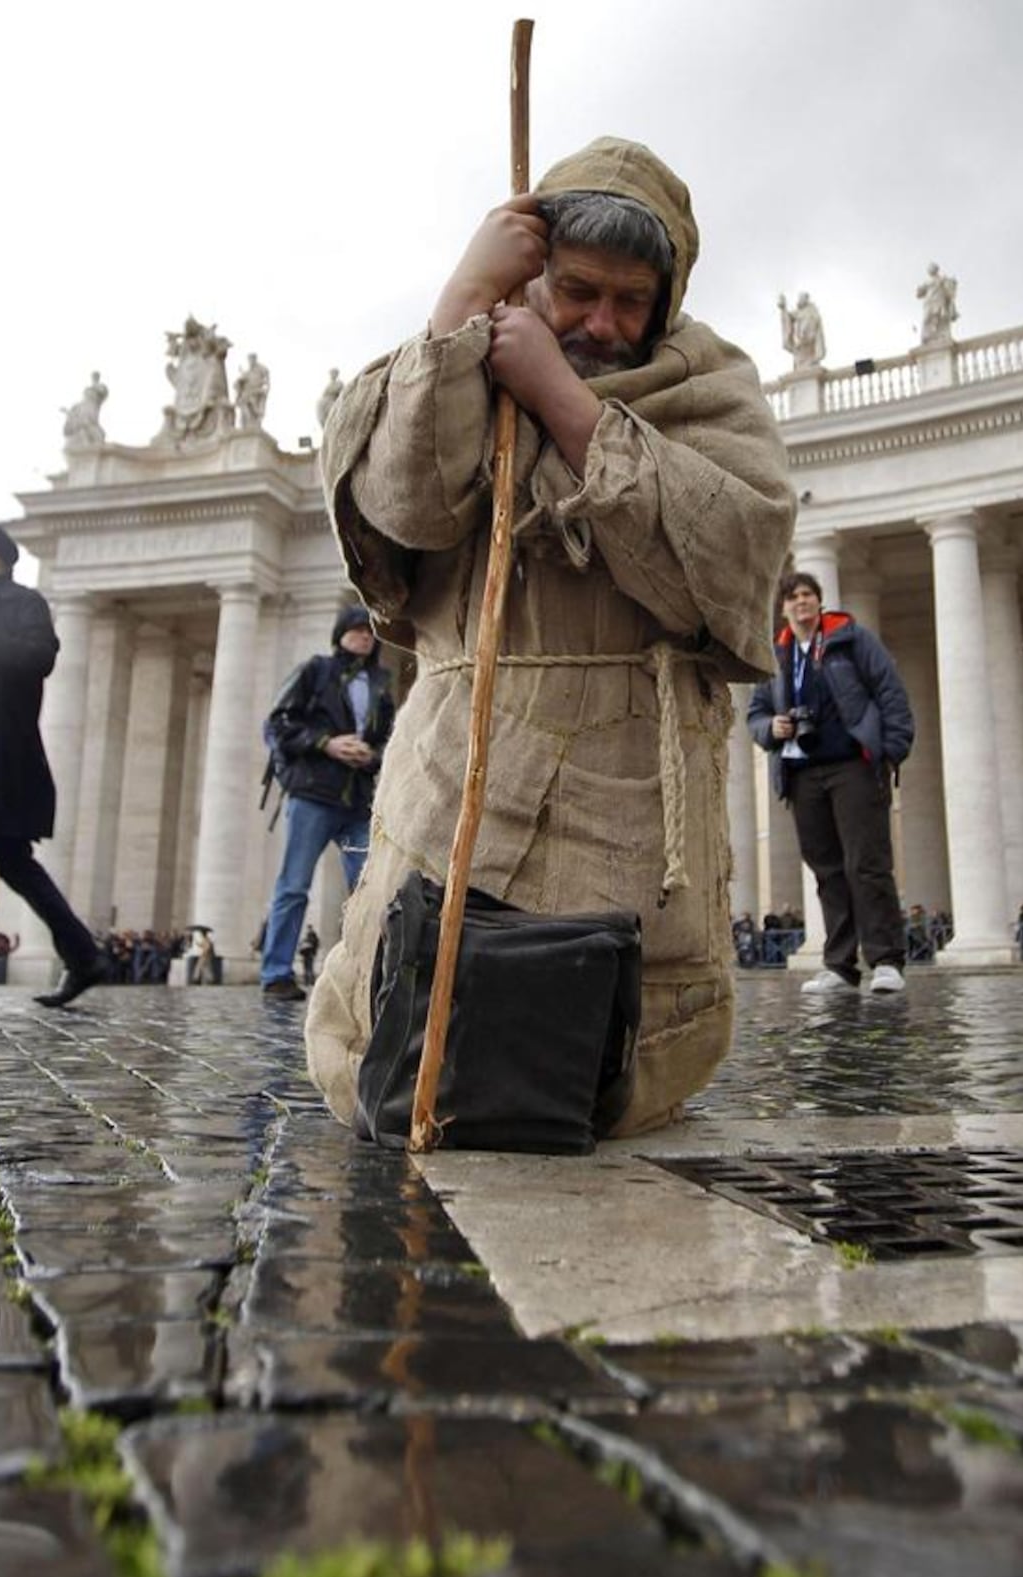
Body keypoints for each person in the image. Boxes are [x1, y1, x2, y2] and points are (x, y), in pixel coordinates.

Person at [306, 135, 795, 1135]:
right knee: (406, 1042)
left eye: (631, 302)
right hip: (458, 771)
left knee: (598, 1060)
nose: (604, 324)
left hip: (624, 797)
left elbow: (737, 560)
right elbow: (404, 512)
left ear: (668, 298)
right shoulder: (451, 357)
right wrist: (458, 308)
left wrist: (564, 403)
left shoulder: (715, 388)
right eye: (577, 292)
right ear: (530, 275)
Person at [0, 524, 110, 1006]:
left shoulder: (24, 603)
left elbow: (39, 658)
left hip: (0, 756)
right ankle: (85, 956)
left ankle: (84, 956)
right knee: (16, 866)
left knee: (15, 865)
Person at [747, 571, 913, 995]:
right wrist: (772, 728)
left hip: (852, 765)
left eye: (807, 595)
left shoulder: (852, 640)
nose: (800, 602)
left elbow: (889, 690)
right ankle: (839, 965)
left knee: (868, 864)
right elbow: (756, 713)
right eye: (793, 597)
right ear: (782, 607)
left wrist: (890, 749)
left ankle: (886, 960)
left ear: (819, 602)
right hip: (803, 772)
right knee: (827, 871)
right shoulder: (777, 655)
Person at [259, 603, 395, 1002]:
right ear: (340, 634)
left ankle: (369, 971)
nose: (364, 635)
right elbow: (278, 723)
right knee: (294, 884)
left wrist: (373, 756)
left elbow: (390, 738)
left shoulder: (381, 684)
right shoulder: (315, 670)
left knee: (371, 886)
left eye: (369, 630)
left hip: (358, 800)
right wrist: (326, 744)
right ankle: (276, 972)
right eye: (355, 629)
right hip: (314, 796)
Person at [778, 291, 825, 368]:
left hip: (808, 342)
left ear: (806, 300)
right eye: (799, 299)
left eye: (801, 298)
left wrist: (806, 333)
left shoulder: (812, 311)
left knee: (807, 359)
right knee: (799, 360)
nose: (799, 301)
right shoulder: (798, 312)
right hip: (800, 343)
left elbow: (814, 324)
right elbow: (788, 318)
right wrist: (783, 308)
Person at [915, 263, 957, 344]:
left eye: (932, 268)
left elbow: (949, 290)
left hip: (939, 301)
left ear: (936, 269)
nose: (930, 270)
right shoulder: (927, 282)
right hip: (929, 303)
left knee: (941, 319)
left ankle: (942, 335)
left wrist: (951, 284)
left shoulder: (942, 279)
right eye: (929, 269)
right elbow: (918, 295)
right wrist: (919, 290)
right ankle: (926, 336)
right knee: (926, 319)